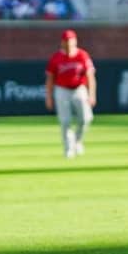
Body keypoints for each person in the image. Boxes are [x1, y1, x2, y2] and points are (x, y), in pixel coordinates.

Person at [44, 29, 96, 159]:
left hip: (79, 88)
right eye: (66, 42)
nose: (68, 44)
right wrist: (49, 97)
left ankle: (77, 141)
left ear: (75, 41)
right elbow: (50, 79)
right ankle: (68, 149)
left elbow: (90, 76)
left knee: (85, 118)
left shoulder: (82, 55)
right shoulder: (56, 57)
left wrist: (92, 94)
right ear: (62, 43)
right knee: (65, 121)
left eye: (71, 41)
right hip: (62, 90)